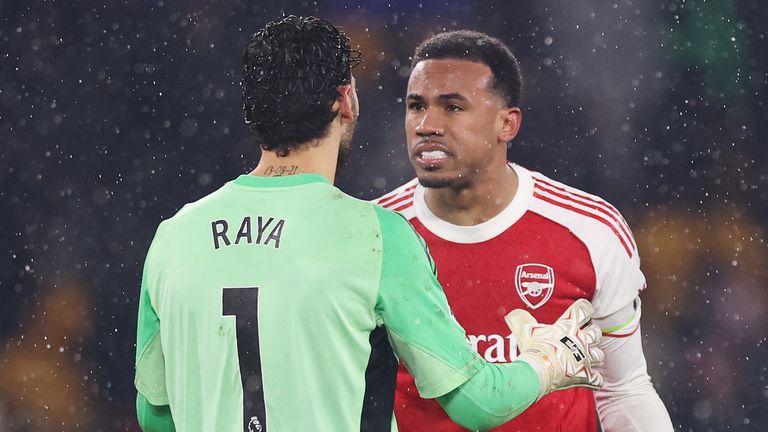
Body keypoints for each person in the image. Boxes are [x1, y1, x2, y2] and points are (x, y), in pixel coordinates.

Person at [134, 16, 604, 432]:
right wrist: (549, 361)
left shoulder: (174, 236)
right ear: (347, 101)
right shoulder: (376, 236)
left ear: (252, 111)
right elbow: (477, 402)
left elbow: (154, 414)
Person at [376, 30, 674, 432]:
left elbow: (624, 389)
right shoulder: (375, 234)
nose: (427, 124)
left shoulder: (591, 229)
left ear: (507, 123)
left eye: (453, 107)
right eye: (416, 106)